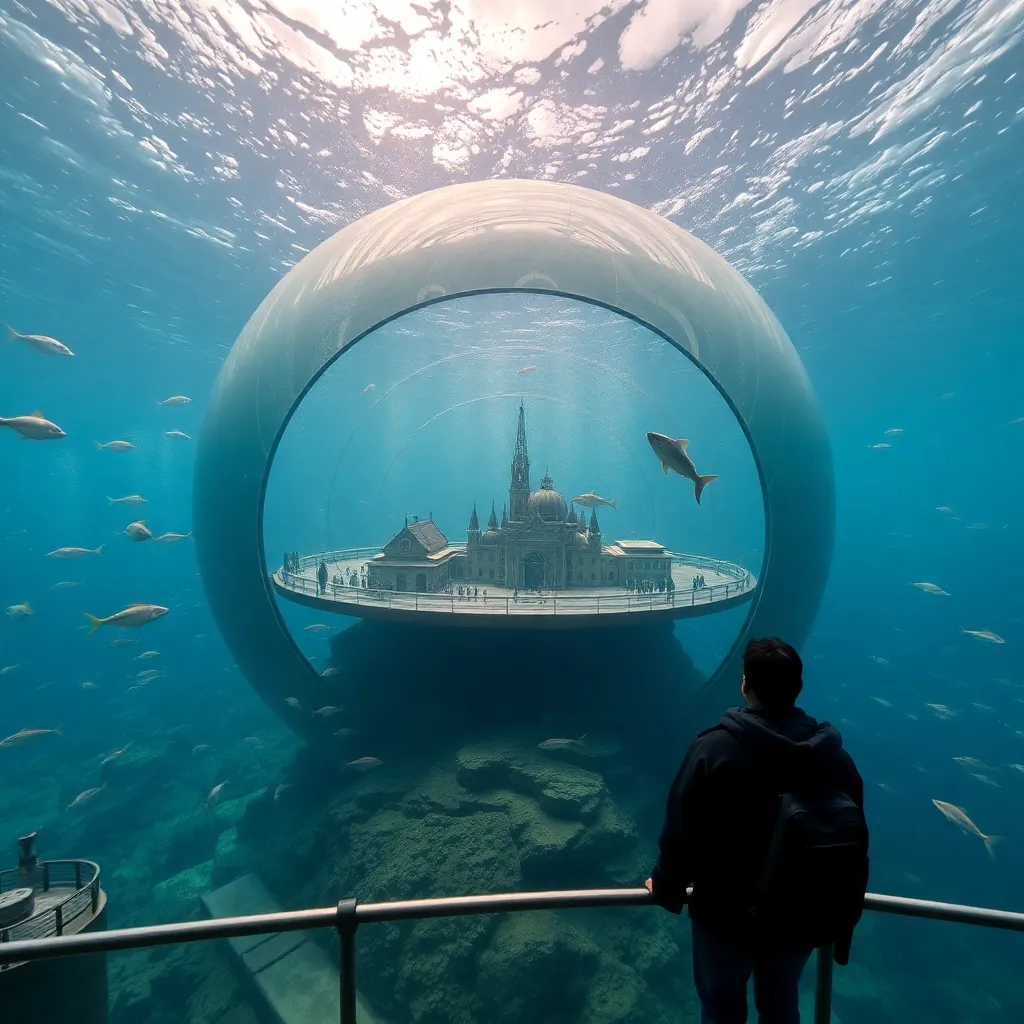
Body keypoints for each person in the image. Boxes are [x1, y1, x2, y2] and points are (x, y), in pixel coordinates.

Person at [645, 637, 867, 1024]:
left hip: (725, 915)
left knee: (722, 1007)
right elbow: (854, 837)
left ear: (745, 684)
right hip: (800, 914)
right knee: (782, 1005)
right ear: (798, 687)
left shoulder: (713, 749)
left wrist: (667, 887)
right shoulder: (835, 758)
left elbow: (680, 830)